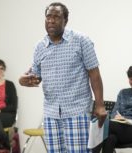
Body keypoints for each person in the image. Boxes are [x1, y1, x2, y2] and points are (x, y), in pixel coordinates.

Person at [19, 2, 106, 152]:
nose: (51, 20)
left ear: (65, 20)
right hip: (51, 113)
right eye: (48, 17)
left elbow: (94, 74)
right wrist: (24, 80)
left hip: (77, 111)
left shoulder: (81, 40)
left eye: (56, 17)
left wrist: (99, 104)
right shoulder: (40, 47)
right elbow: (36, 77)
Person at [93, 65, 132, 153]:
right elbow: (113, 113)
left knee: (102, 124)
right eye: (131, 79)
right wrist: (117, 117)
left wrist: (131, 121)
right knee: (110, 139)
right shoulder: (123, 92)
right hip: (117, 128)